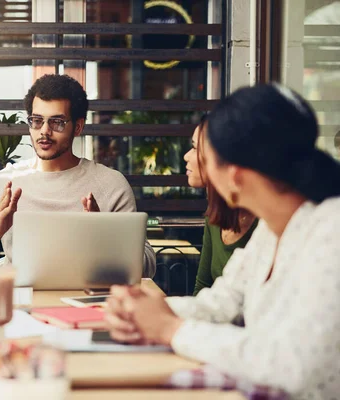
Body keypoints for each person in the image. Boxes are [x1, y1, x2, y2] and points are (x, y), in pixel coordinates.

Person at [105, 84, 340, 399]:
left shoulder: (330, 233)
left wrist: (170, 329)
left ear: (235, 176)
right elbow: (220, 303)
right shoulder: (273, 231)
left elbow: (293, 365)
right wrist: (147, 311)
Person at [0, 74, 156, 277]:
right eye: (36, 121)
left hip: (88, 301)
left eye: (57, 122)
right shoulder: (0, 185)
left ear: (78, 127)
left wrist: (102, 235)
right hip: (20, 302)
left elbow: (147, 266)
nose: (44, 131)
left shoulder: (111, 185)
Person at [184, 115, 257, 295]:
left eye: (194, 148)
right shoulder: (215, 215)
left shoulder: (267, 225)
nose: (186, 156)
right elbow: (202, 288)